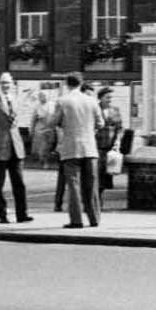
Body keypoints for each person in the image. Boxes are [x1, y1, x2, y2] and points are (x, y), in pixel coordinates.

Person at [0, 72, 33, 224]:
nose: (6, 86)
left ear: (12, 85)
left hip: (16, 148)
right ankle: (2, 215)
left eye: (8, 83)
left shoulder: (16, 101)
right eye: (3, 83)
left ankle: (22, 214)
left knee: (19, 183)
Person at [53, 72, 102, 229]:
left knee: (73, 184)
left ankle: (76, 220)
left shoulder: (62, 101)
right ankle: (94, 219)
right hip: (90, 148)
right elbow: (100, 123)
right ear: (81, 84)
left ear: (67, 84)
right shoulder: (91, 101)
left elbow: (54, 121)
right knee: (91, 184)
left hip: (71, 147)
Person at [95, 86, 124, 203]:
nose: (110, 99)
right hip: (96, 147)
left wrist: (118, 141)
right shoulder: (95, 109)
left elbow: (120, 128)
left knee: (105, 175)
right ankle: (97, 199)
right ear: (100, 98)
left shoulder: (115, 110)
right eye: (107, 97)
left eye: (111, 97)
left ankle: (98, 196)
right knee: (96, 174)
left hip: (109, 148)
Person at [28, 90, 57, 170]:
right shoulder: (37, 107)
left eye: (44, 96)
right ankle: (44, 162)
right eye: (41, 96)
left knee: (49, 146)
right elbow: (33, 120)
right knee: (43, 147)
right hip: (40, 130)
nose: (43, 98)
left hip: (51, 129)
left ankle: (45, 160)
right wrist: (31, 129)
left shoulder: (53, 105)